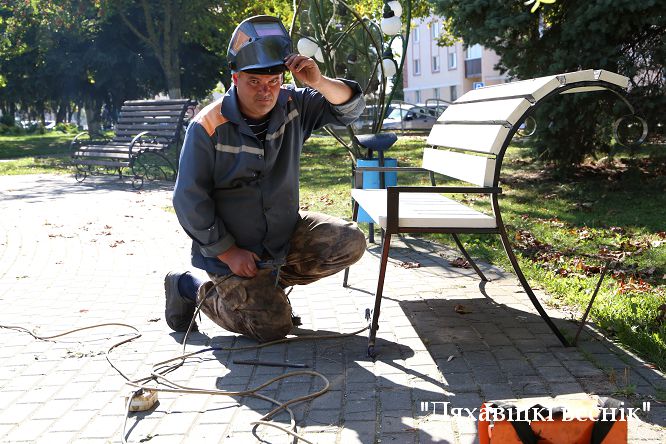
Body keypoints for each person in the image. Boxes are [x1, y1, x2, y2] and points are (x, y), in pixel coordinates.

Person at [165, 15, 367, 342]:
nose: (266, 91)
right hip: (232, 253)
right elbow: (188, 198)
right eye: (254, 82)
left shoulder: (294, 104)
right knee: (272, 328)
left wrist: (318, 82)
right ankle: (189, 287)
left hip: (280, 240)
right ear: (235, 78)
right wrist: (228, 252)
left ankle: (267, 288)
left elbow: (350, 109)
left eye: (273, 81)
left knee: (350, 241)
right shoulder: (208, 126)